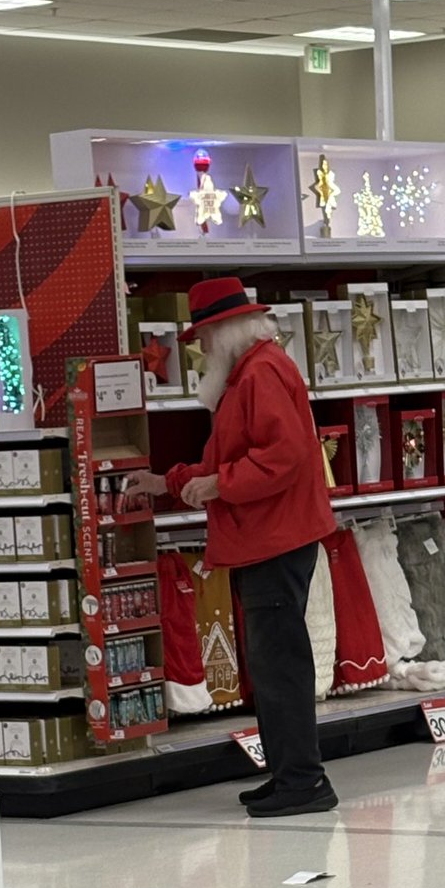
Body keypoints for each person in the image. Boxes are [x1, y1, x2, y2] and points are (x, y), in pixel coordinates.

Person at [128, 277, 338, 818]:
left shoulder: (259, 374)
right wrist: (171, 481)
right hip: (268, 537)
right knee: (270, 664)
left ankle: (304, 781)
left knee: (279, 665)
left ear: (226, 330)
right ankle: (290, 773)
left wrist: (221, 485)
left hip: (272, 539)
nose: (200, 348)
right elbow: (237, 455)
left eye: (204, 335)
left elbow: (284, 455)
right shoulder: (255, 371)